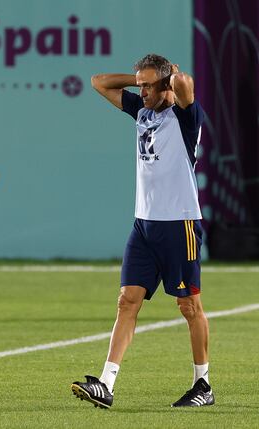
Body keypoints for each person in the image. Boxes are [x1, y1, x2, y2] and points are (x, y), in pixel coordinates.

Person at [71, 54, 214, 409]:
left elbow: (186, 85)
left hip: (179, 223)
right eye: (140, 84)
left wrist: (169, 78)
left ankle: (203, 385)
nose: (143, 90)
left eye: (150, 84)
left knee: (189, 306)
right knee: (127, 301)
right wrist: (141, 81)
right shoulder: (142, 110)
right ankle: (106, 383)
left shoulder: (184, 117)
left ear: (166, 84)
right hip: (144, 224)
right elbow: (99, 81)